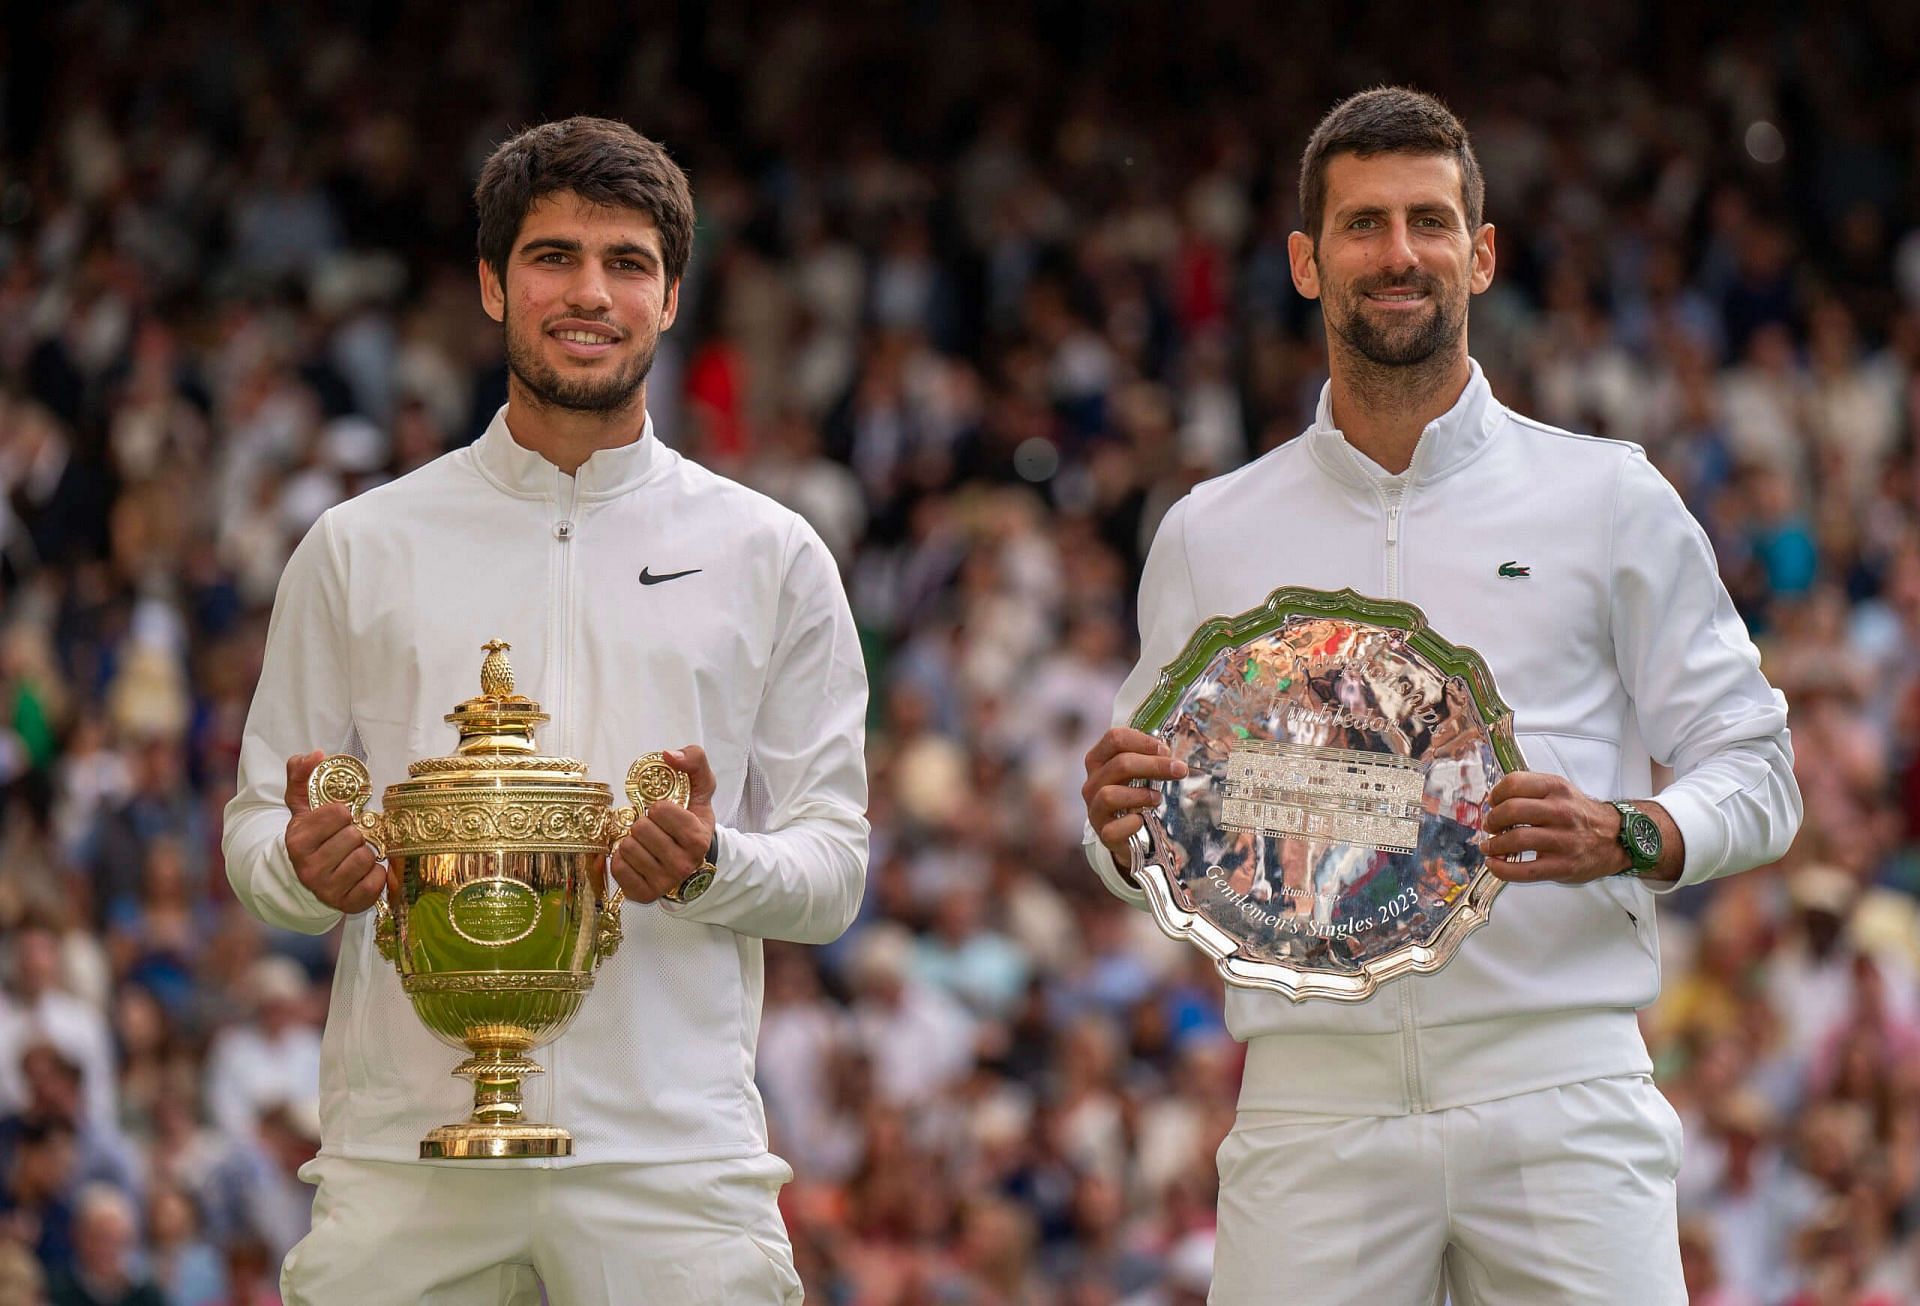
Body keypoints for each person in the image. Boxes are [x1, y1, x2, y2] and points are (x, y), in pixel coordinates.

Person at [1080, 87, 1801, 1304]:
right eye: (1363, 225)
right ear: (1308, 263)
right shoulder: (1211, 532)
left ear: (1482, 251)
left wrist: (1631, 834)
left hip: (1559, 1085)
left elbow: (1758, 766)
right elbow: (1151, 835)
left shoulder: (1607, 497)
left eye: (1427, 220)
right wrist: (1109, 828)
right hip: (1314, 1103)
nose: (1398, 253)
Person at [220, 116, 869, 1304]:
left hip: (672, 1167)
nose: (591, 293)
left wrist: (707, 864)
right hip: (407, 1158)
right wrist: (301, 869)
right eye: (553, 256)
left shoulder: (770, 553)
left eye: (627, 262)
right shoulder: (359, 546)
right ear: (490, 283)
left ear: (672, 296)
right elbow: (258, 830)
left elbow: (833, 871)